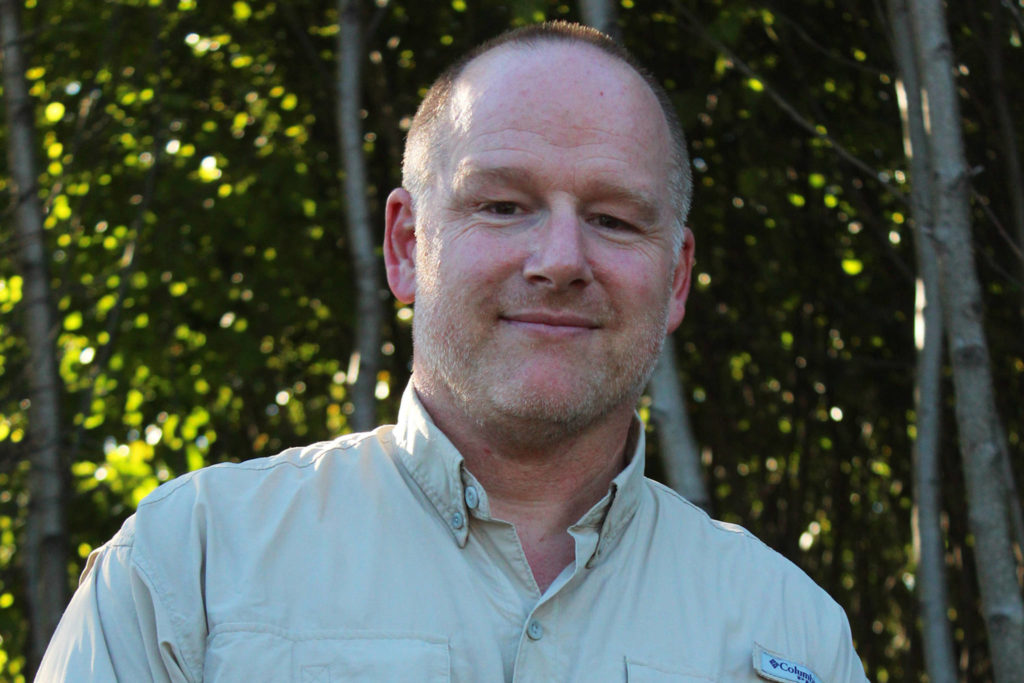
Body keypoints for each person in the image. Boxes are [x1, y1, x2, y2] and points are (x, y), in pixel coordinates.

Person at [38, 21, 868, 682]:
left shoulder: (793, 635)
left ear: (677, 277)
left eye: (614, 219)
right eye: (503, 205)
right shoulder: (186, 570)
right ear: (406, 246)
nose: (560, 261)